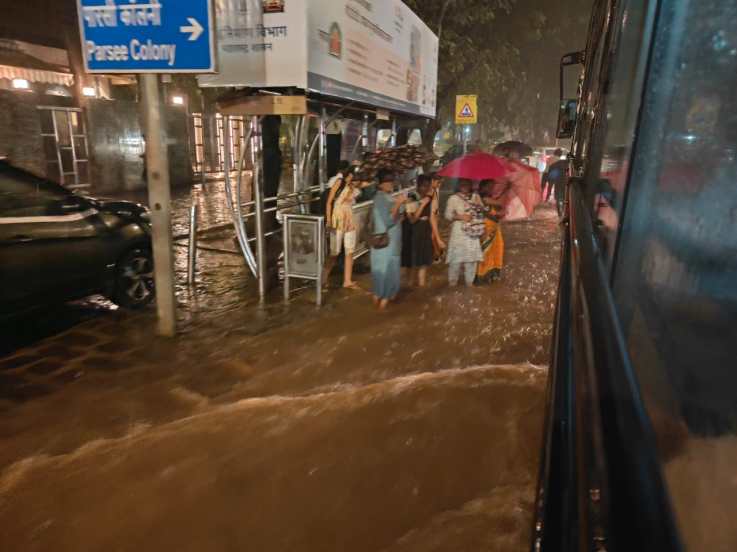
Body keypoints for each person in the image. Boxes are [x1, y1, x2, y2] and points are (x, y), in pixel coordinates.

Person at [324, 166, 367, 289]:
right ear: (349, 175)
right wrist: (329, 219)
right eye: (354, 179)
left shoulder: (356, 187)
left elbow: (367, 183)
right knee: (334, 252)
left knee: (350, 251)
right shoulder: (339, 182)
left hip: (349, 219)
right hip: (337, 219)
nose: (356, 182)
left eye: (358, 180)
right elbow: (329, 201)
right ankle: (323, 278)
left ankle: (347, 281)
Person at [370, 170, 407, 310]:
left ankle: (377, 313)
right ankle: (379, 312)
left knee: (384, 280)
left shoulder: (387, 197)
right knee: (385, 279)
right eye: (387, 181)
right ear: (380, 184)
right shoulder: (380, 198)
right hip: (386, 245)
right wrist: (398, 204)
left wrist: (399, 205)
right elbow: (388, 221)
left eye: (391, 180)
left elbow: (398, 217)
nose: (390, 183)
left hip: (392, 244)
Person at [444, 179, 484, 287]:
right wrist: (461, 216)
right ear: (458, 185)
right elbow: (447, 215)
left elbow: (481, 213)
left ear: (471, 185)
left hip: (472, 231)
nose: (465, 186)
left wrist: (479, 204)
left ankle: (469, 284)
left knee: (471, 260)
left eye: (467, 183)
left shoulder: (475, 197)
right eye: (462, 183)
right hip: (458, 231)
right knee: (455, 260)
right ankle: (452, 284)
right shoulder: (453, 198)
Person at [407, 174, 436, 287]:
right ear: (418, 186)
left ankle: (421, 291)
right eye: (424, 186)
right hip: (413, 233)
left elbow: (432, 216)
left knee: (424, 263)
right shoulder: (412, 196)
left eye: (428, 186)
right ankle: (410, 291)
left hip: (425, 231)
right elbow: (412, 220)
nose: (427, 189)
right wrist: (422, 204)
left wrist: (434, 234)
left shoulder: (430, 197)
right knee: (413, 264)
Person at [476, 190, 505, 284]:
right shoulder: (483, 199)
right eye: (489, 186)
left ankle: (492, 275)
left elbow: (500, 210)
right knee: (486, 253)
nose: (492, 187)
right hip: (486, 229)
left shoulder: (492, 199)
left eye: (492, 186)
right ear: (483, 187)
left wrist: (499, 213)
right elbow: (498, 205)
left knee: (496, 250)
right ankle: (481, 277)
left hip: (495, 229)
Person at [542, 148, 568, 215]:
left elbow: (547, 164)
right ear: (560, 154)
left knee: (543, 187)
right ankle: (547, 198)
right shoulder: (559, 160)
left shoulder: (550, 157)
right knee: (550, 186)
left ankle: (541, 199)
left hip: (545, 173)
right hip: (552, 173)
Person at [429, 172, 447, 260]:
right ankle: (437, 253)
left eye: (441, 183)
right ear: (432, 181)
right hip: (432, 216)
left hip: (435, 215)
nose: (439, 185)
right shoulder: (430, 191)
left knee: (433, 236)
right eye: (438, 182)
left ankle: (437, 253)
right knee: (433, 236)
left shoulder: (435, 190)